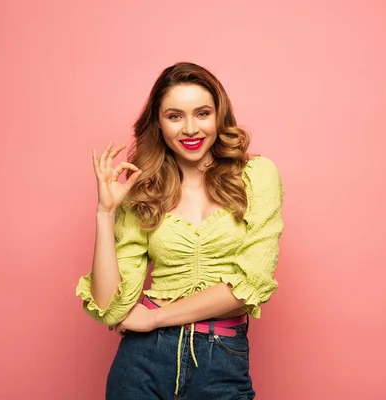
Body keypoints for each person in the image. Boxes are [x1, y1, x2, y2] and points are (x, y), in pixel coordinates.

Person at [76, 62, 284, 399]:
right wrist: (106, 212)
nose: (190, 129)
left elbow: (251, 285)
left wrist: (156, 319)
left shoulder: (258, 176)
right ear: (158, 124)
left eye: (202, 113)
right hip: (141, 363)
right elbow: (111, 308)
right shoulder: (144, 189)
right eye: (175, 116)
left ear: (219, 116)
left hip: (221, 360)